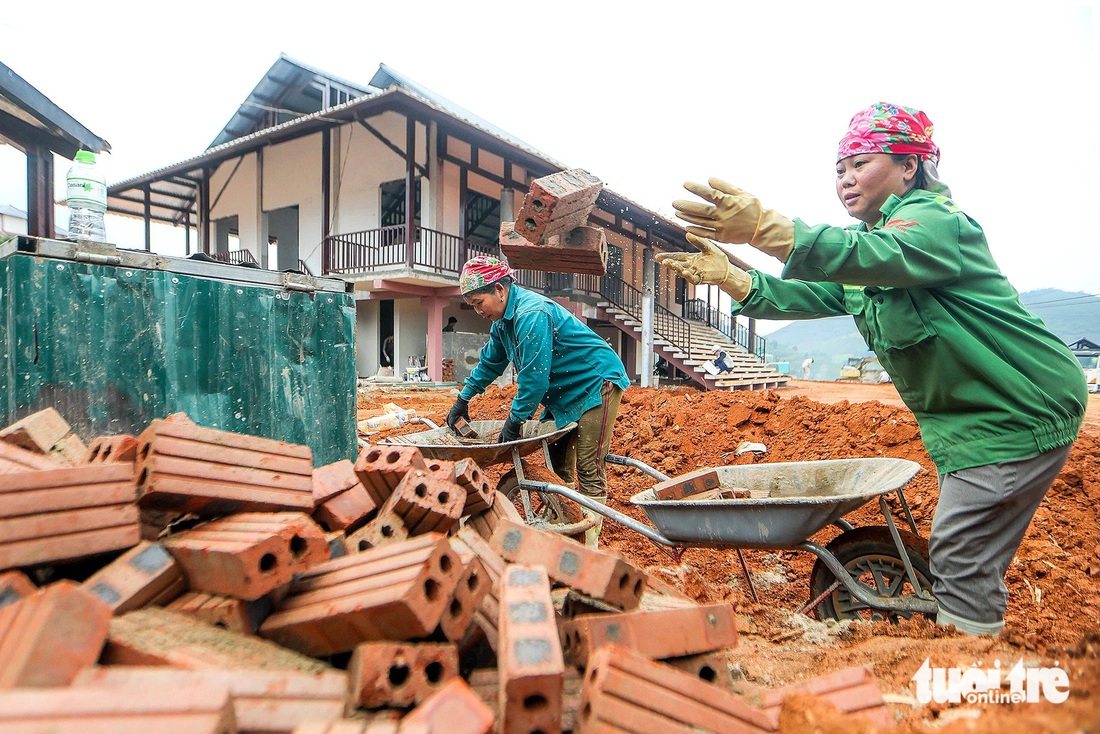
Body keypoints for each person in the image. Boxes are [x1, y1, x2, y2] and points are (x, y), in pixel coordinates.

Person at [656, 102, 1086, 637]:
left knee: (961, 556)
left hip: (1015, 410)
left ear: (910, 166)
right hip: (974, 418)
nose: (845, 178)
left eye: (860, 163)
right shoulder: (874, 251)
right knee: (965, 550)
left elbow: (875, 254)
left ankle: (970, 668)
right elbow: (808, 292)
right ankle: (965, 629)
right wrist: (733, 279)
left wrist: (766, 228)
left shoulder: (935, 223)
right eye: (839, 169)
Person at [446, 255, 630, 546]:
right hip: (562, 392)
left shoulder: (532, 314)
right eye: (472, 305)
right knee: (557, 464)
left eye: (479, 303)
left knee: (588, 464)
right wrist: (463, 398)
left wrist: (515, 421)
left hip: (597, 381)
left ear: (500, 290)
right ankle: (567, 524)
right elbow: (490, 364)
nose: (477, 310)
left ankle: (590, 542)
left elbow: (534, 379)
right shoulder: (502, 323)